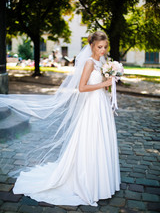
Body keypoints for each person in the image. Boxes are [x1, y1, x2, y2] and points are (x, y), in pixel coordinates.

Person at [2, 31, 120, 206]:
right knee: (91, 139)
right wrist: (104, 84)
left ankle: (102, 181)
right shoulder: (88, 63)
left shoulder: (102, 62)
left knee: (102, 139)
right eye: (99, 47)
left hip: (101, 103)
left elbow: (101, 84)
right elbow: (82, 87)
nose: (102, 50)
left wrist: (109, 83)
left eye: (104, 47)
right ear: (91, 46)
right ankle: (87, 181)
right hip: (92, 107)